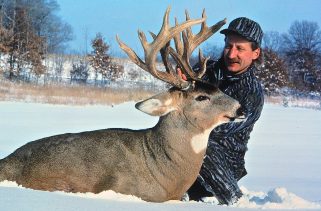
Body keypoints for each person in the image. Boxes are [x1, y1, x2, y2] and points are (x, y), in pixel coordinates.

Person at [186, 17, 265, 205]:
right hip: (185, 151)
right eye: (229, 46)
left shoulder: (252, 94)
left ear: (255, 53)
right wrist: (181, 83)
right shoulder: (204, 71)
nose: (231, 54)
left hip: (223, 164)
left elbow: (218, 130)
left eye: (240, 49)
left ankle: (234, 201)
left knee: (202, 143)